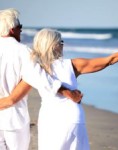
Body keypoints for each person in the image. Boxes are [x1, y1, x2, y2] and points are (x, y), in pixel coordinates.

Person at [1, 28, 118, 150]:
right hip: (73, 119)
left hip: (50, 121)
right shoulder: (73, 65)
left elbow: (12, 99)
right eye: (61, 42)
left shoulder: (34, 71)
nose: (63, 45)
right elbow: (109, 60)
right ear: (54, 45)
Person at [0, 9, 82, 150]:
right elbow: (40, 78)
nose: (21, 31)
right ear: (12, 29)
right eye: (20, 27)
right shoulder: (22, 51)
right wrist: (67, 92)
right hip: (13, 120)